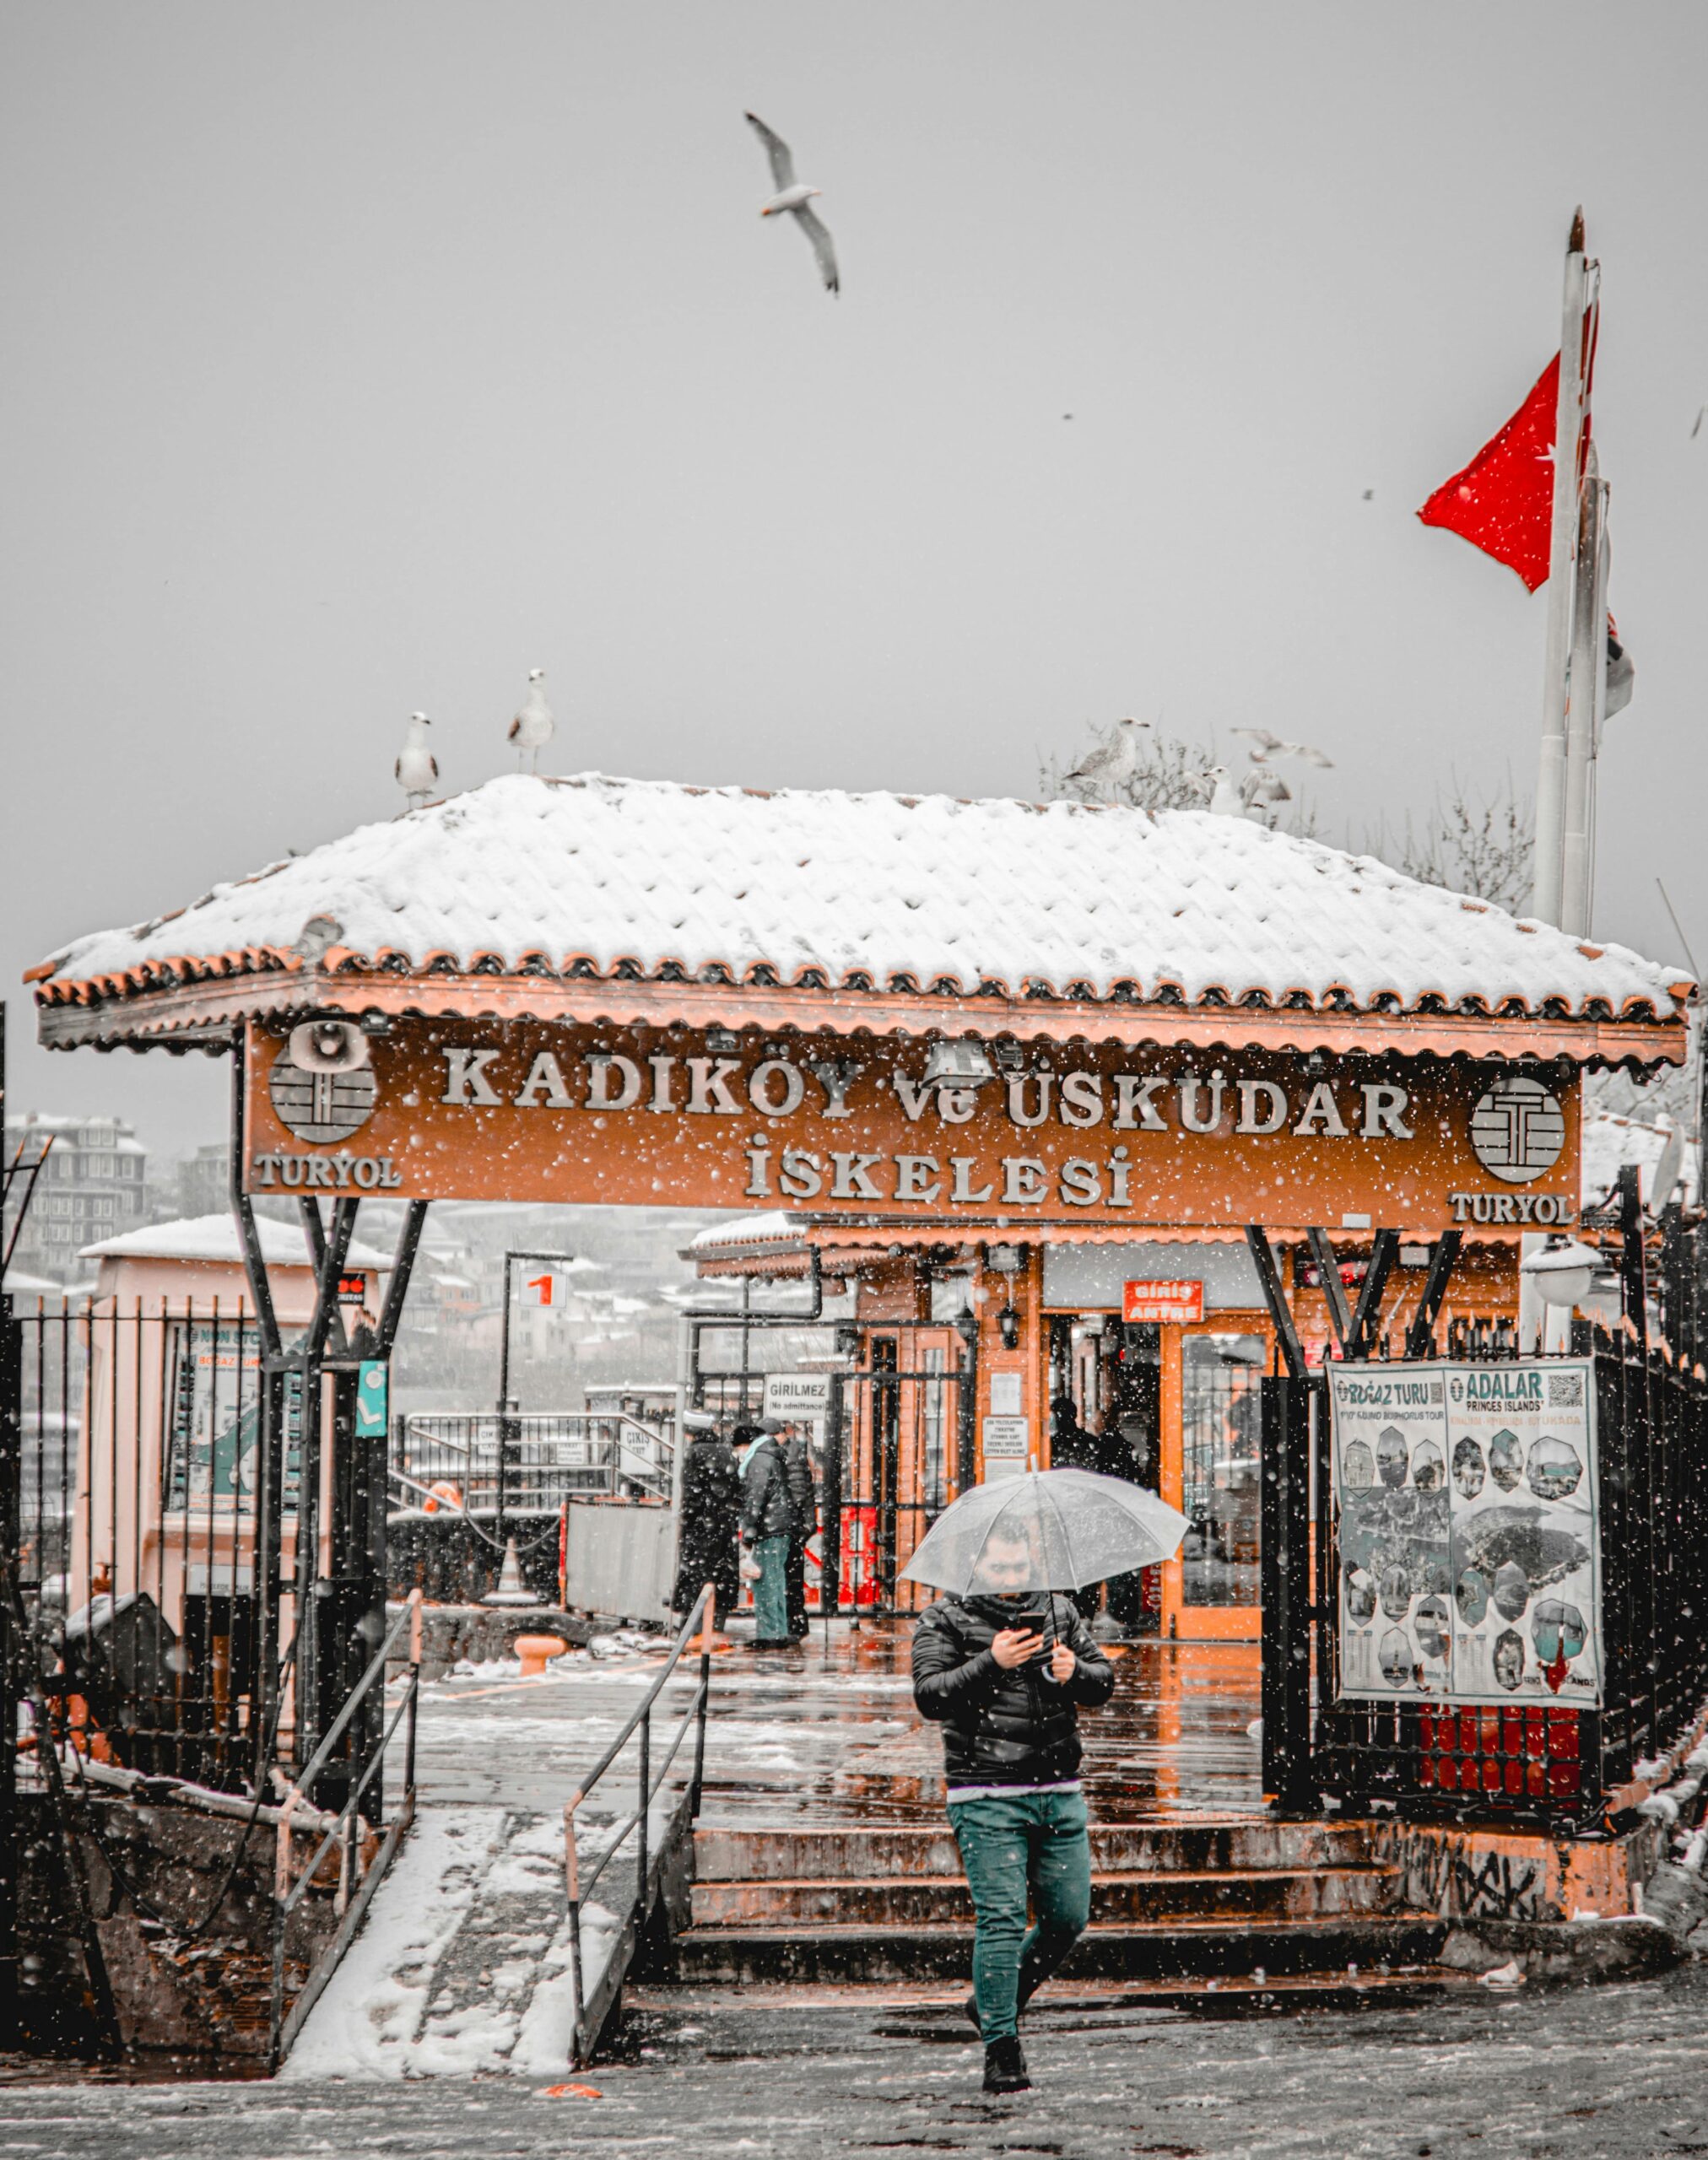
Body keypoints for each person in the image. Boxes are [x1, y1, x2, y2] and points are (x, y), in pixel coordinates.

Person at [911, 1526, 1113, 2095]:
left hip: (1058, 1787)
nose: (1008, 1580)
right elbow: (931, 1696)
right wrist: (992, 1662)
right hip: (985, 1791)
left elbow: (1104, 1682)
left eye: (1016, 1568)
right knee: (1000, 1920)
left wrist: (1078, 1673)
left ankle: (992, 2001)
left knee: (1068, 1918)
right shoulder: (944, 1619)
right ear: (976, 1568)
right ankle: (1002, 2048)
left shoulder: (1060, 1610)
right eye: (997, 1570)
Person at [670, 1410, 740, 1637]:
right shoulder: (727, 1453)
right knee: (721, 1574)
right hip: (724, 1526)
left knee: (696, 1576)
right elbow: (737, 1490)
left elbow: (692, 1494)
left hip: (701, 1528)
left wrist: (687, 1518)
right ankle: (717, 1621)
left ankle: (694, 1626)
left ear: (691, 1433)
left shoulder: (693, 1455)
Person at [739, 1418, 794, 1650]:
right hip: (778, 1527)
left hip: (768, 1529)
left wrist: (749, 1528)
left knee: (765, 1584)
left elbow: (756, 1497)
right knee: (775, 1581)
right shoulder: (772, 1456)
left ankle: (769, 1634)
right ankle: (778, 1630)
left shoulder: (760, 1459)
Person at [777, 1419, 818, 1642]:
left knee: (790, 1577)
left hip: (792, 1525)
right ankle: (795, 1623)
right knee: (792, 1576)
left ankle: (794, 1624)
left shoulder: (790, 1454)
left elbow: (798, 1494)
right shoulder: (792, 1452)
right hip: (796, 1524)